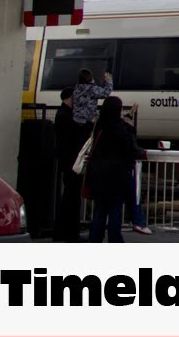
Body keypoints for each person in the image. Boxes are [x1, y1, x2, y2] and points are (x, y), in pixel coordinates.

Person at [84, 97, 145, 243]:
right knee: (115, 211)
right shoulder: (122, 128)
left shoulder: (99, 124)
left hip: (98, 175)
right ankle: (114, 240)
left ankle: (95, 239)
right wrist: (130, 125)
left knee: (99, 211)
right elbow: (130, 148)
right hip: (116, 176)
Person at [53, 86, 87, 242]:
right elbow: (77, 132)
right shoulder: (64, 116)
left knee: (70, 197)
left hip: (69, 161)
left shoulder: (64, 114)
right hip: (71, 162)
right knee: (71, 198)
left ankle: (66, 232)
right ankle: (69, 233)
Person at [121, 102, 152, 235]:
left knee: (106, 204)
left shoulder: (103, 125)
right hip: (124, 169)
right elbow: (134, 149)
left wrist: (130, 115)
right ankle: (139, 222)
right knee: (134, 196)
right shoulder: (125, 130)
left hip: (106, 171)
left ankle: (98, 232)